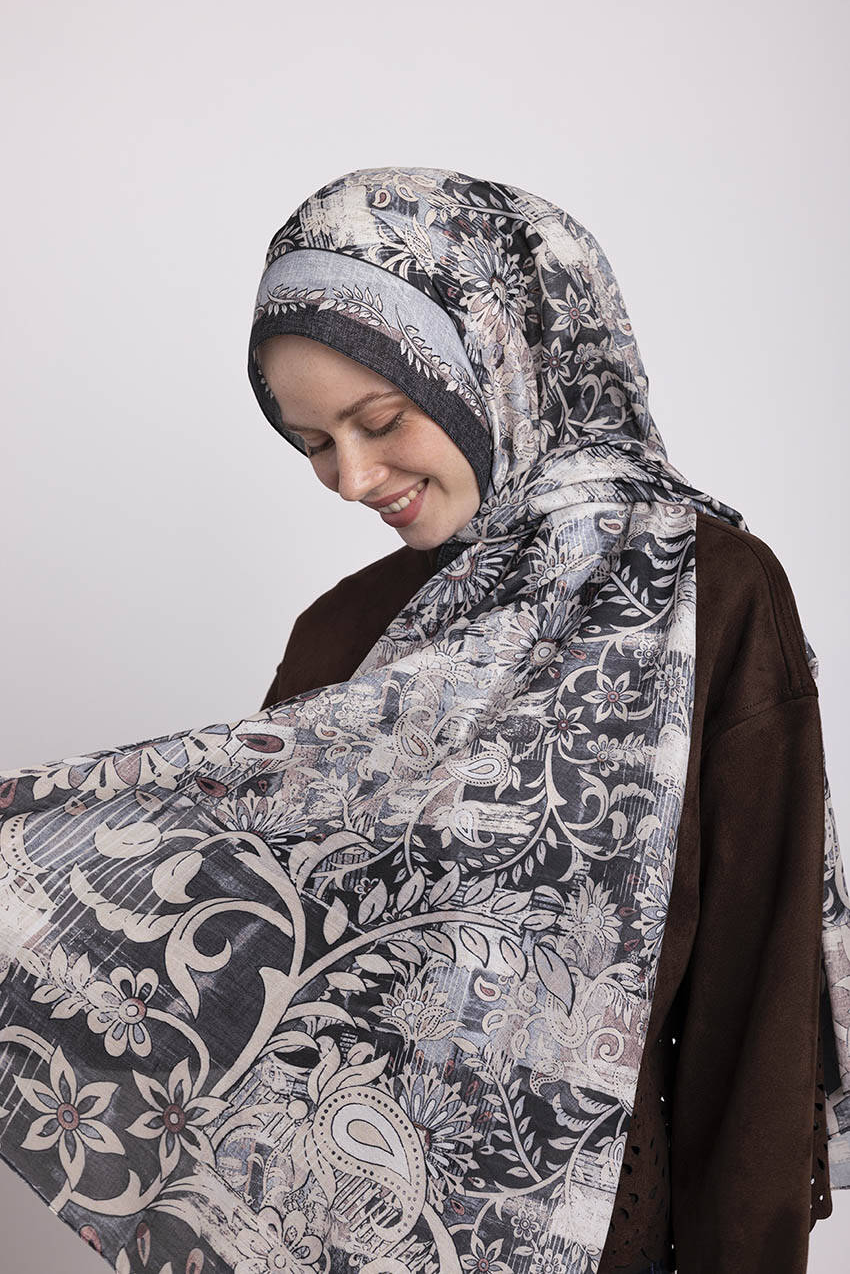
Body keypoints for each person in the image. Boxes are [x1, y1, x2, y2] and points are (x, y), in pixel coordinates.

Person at [0, 166, 847, 1274]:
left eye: (380, 420)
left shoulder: (704, 594)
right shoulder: (343, 631)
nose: (353, 478)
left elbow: (755, 1007)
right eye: (313, 442)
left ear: (498, 361)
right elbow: (246, 976)